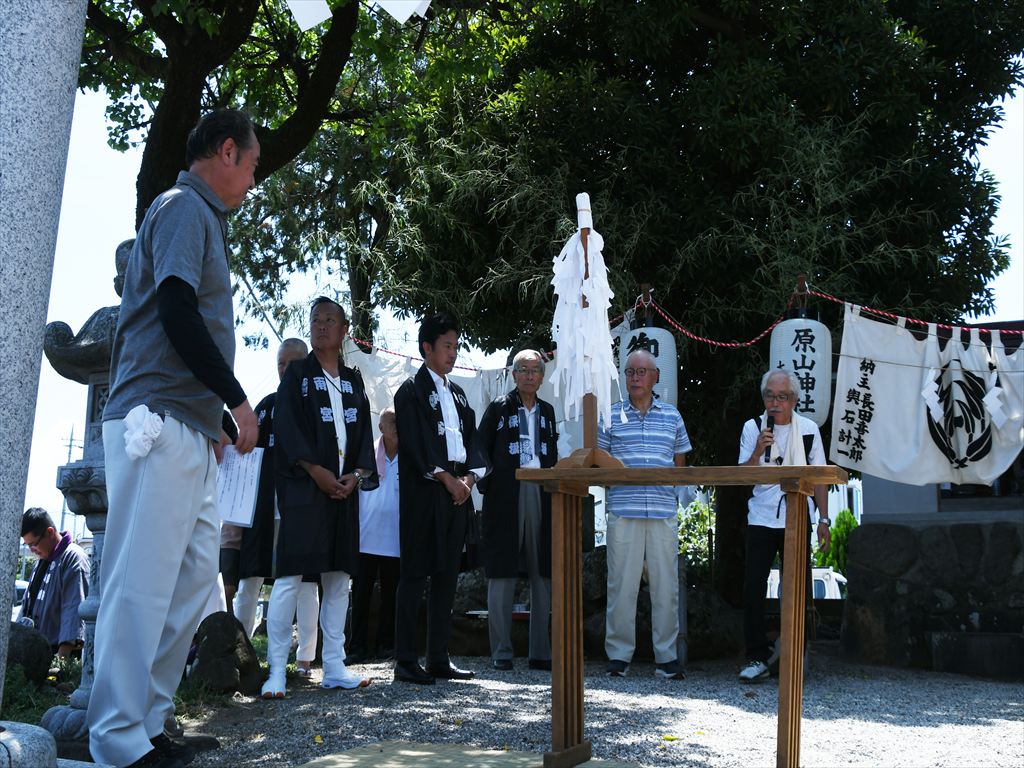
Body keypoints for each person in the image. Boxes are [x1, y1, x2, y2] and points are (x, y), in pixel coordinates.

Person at [88, 108, 260, 768]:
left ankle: (150, 721)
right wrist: (239, 402)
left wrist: (216, 414)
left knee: (190, 584)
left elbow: (183, 332)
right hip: (153, 424)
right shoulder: (184, 207)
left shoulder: (203, 219)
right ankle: (118, 741)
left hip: (188, 424)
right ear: (224, 151)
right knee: (141, 584)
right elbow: (177, 310)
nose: (251, 179)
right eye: (250, 164)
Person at [261, 297, 376, 698]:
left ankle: (334, 665)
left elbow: (363, 436)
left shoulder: (352, 380)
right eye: (315, 320)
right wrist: (316, 471)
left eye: (330, 320)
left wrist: (356, 475)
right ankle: (277, 669)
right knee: (291, 579)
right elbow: (289, 431)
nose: (321, 326)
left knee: (339, 580)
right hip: (305, 490)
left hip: (345, 490)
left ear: (345, 330)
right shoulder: (297, 376)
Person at [392, 313, 486, 685]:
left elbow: (473, 443)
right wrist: (447, 478)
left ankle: (438, 656)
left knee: (447, 574)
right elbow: (415, 445)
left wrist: (467, 478)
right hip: (425, 491)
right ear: (427, 347)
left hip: (457, 493)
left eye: (456, 347)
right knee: (415, 573)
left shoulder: (459, 393)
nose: (452, 353)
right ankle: (404, 659)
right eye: (447, 346)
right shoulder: (410, 392)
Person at [219, 338, 320, 678]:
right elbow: (243, 457)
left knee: (306, 583)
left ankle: (306, 658)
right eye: (281, 363)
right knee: (250, 580)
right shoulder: (264, 408)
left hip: (302, 507)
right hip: (262, 507)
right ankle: (241, 654)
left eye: (294, 363)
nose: (286, 369)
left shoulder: (316, 405)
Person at [598, 349, 690, 680]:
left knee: (666, 587)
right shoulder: (609, 415)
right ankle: (619, 656)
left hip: (663, 509)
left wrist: (675, 497)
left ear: (656, 378)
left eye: (641, 372)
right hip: (624, 510)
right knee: (621, 586)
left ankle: (666, 658)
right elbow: (599, 462)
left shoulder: (672, 416)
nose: (635, 378)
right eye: (630, 372)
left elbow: (680, 461)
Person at [737, 369, 830, 683]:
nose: (775, 403)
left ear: (794, 400)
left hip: (795, 515)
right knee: (752, 588)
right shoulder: (753, 427)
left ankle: (795, 651)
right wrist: (756, 452)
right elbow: (742, 476)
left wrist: (824, 520)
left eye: (782, 397)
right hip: (761, 516)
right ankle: (756, 657)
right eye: (770, 396)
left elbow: (818, 477)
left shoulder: (807, 429)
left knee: (797, 588)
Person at [477, 350, 558, 672]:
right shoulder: (499, 408)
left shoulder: (548, 412)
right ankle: (501, 650)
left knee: (543, 570)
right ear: (513, 375)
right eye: (522, 369)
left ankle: (541, 650)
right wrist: (489, 485)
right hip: (507, 492)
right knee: (502, 571)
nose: (528, 375)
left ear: (542, 376)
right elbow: (480, 447)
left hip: (541, 489)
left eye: (534, 370)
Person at [347, 407, 401, 663]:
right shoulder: (367, 454)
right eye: (392, 421)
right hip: (366, 536)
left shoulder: (411, 455)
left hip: (396, 538)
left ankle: (386, 645)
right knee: (360, 595)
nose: (397, 426)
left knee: (392, 595)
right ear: (381, 427)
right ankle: (356, 647)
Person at [18, 508, 90, 658]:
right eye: (28, 546)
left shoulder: (73, 557)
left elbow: (73, 607)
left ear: (49, 532)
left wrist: (61, 660)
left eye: (34, 544)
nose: (32, 550)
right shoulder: (43, 559)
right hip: (32, 650)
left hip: (57, 653)